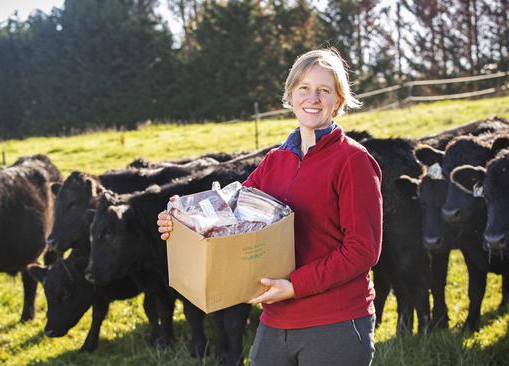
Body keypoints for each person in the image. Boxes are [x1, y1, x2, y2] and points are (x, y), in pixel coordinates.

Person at [157, 48, 382, 366]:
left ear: (339, 101)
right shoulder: (276, 161)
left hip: (335, 322)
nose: (312, 98)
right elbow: (228, 215)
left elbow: (363, 251)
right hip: (275, 321)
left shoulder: (353, 161)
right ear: (290, 96)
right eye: (304, 88)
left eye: (324, 90)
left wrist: (294, 286)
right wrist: (181, 220)